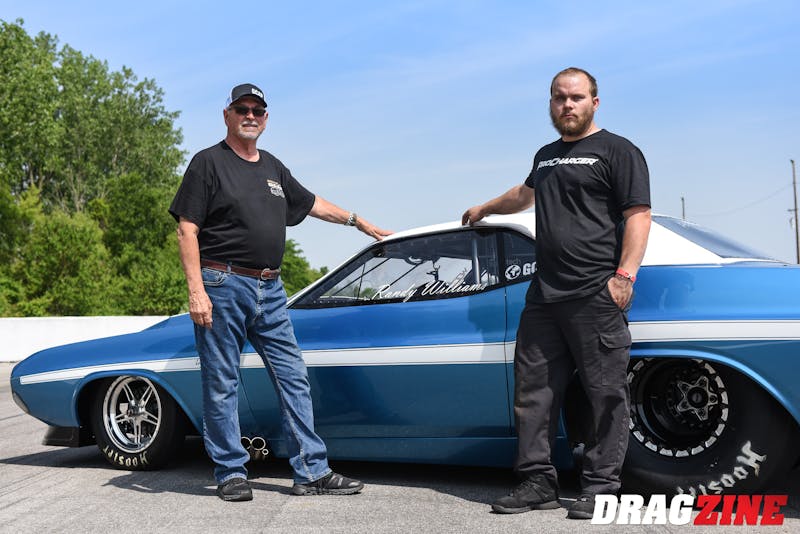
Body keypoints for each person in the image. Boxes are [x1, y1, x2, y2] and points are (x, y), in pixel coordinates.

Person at [169, 83, 392, 502]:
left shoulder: (272, 167)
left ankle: (311, 471)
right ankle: (230, 473)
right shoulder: (208, 163)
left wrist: (358, 221)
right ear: (227, 115)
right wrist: (196, 291)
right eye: (242, 109)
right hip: (223, 284)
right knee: (222, 382)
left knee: (293, 377)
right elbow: (187, 230)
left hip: (270, 289)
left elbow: (311, 203)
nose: (250, 116)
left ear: (266, 118)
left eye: (258, 110)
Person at [461, 68, 651, 519]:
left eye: (576, 97)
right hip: (545, 296)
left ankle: (601, 488)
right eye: (559, 97)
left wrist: (624, 276)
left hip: (595, 292)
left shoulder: (618, 150)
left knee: (605, 395)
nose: (568, 105)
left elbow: (639, 215)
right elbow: (523, 194)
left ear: (594, 102)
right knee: (534, 393)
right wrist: (485, 207)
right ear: (550, 103)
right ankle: (538, 482)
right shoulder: (545, 156)